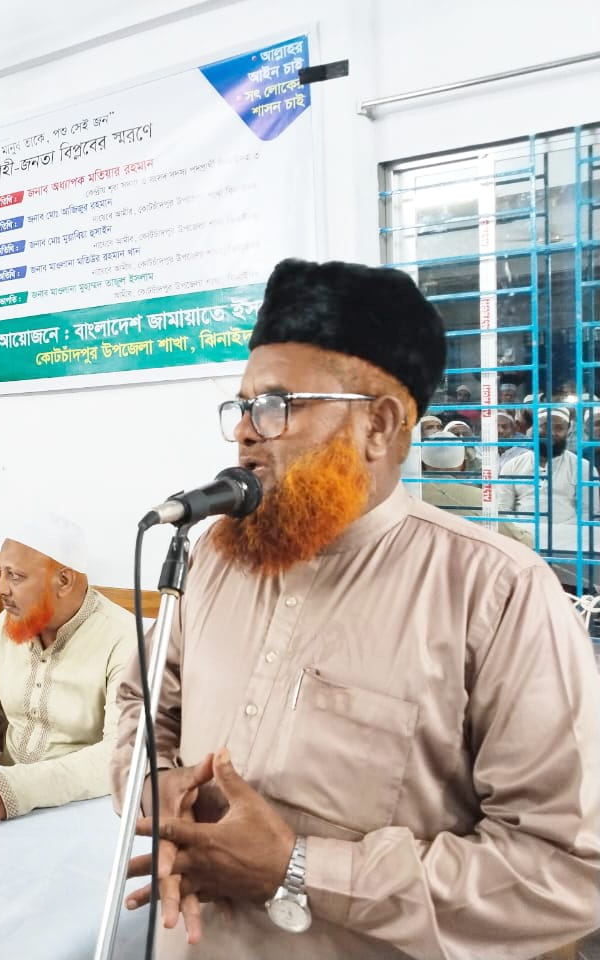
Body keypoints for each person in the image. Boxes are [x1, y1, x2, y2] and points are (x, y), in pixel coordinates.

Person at [112, 258, 600, 959]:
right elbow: (142, 702)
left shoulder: (496, 593)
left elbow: (564, 869)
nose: (245, 432)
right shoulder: (215, 557)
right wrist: (156, 789)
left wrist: (299, 869)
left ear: (379, 424)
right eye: (242, 407)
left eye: (277, 404)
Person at [0, 514, 130, 831]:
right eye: (0, 573)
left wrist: (15, 790)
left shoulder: (126, 640)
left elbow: (120, 753)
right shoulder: (8, 624)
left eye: (15, 576)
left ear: (64, 581)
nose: (0, 588)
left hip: (81, 811)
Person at [419, 434, 532, 546]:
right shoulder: (481, 498)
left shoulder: (411, 493)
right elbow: (519, 539)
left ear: (422, 464)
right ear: (463, 465)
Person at [498, 407, 596, 526]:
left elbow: (589, 512)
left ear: (568, 430)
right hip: (522, 532)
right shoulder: (512, 466)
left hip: (570, 533)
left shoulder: (583, 467)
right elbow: (503, 508)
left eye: (559, 428)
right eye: (545, 426)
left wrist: (563, 532)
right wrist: (520, 530)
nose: (551, 432)